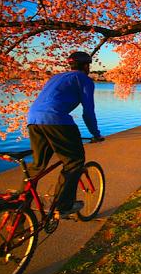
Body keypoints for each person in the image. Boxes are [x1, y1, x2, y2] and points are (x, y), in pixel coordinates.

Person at [27, 51, 104, 217]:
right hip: (57, 120)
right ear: (86, 65)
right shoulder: (84, 80)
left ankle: (18, 207)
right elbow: (88, 112)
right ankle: (63, 206)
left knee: (37, 166)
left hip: (33, 119)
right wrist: (95, 134)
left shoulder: (56, 77)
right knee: (74, 161)